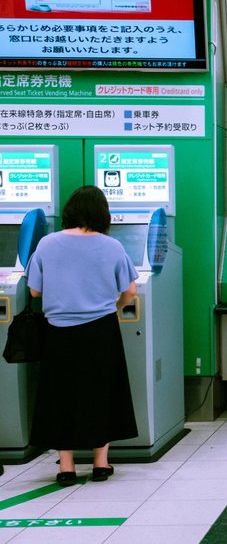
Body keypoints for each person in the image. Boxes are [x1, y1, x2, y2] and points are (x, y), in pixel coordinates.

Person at [26, 185, 139, 487]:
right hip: (100, 329)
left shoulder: (47, 244)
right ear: (103, 214)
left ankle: (66, 466)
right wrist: (115, 307)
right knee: (100, 392)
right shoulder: (111, 246)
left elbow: (35, 290)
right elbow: (130, 290)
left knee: (60, 395)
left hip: (59, 332)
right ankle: (101, 463)